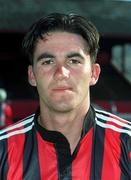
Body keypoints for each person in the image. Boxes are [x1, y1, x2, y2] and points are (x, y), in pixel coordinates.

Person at [0, 13, 130, 180]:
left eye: (74, 61)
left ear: (94, 73)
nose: (61, 73)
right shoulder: (4, 150)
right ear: (32, 75)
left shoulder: (126, 144)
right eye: (48, 62)